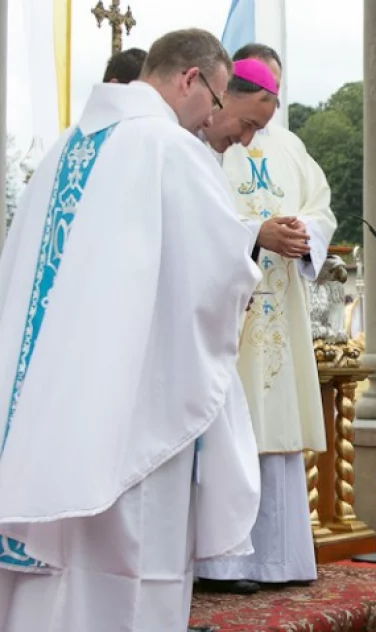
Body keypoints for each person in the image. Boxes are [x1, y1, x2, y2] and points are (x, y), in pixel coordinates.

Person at [0, 28, 261, 631]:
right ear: (190, 79)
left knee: (60, 572)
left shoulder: (63, 150)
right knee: (134, 565)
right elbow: (219, 275)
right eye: (218, 102)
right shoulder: (167, 148)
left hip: (49, 406)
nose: (211, 121)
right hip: (135, 406)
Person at [196, 44, 337, 594]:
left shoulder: (291, 146)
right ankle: (224, 563)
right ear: (238, 90)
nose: (252, 132)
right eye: (259, 107)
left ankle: (279, 560)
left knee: (274, 429)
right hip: (229, 315)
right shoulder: (205, 139)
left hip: (280, 307)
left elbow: (321, 207)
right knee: (230, 428)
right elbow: (199, 220)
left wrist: (304, 233)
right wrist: (256, 233)